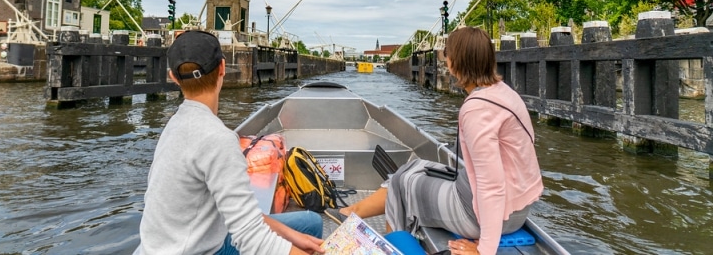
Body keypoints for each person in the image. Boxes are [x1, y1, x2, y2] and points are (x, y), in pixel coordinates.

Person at [339, 27, 543, 255]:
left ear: (456, 62)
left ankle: (391, 247)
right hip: (517, 205)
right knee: (413, 166)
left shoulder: (477, 109)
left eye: (447, 54)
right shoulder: (504, 93)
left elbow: (491, 186)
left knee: (400, 183)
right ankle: (352, 212)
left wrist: (484, 250)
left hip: (486, 215)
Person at [134, 30, 325, 255]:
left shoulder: (175, 125)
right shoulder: (218, 139)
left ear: (173, 77)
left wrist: (294, 237)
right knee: (313, 225)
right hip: (197, 250)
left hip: (162, 247)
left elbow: (241, 216)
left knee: (309, 225)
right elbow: (253, 241)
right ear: (223, 68)